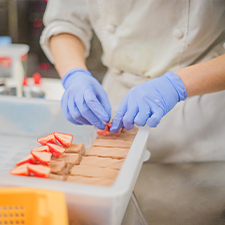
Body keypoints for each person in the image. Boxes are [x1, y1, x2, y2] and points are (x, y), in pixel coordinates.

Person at [40, 0, 225, 162]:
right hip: (117, 98)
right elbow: (64, 22)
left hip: (201, 115)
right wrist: (74, 74)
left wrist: (177, 85)